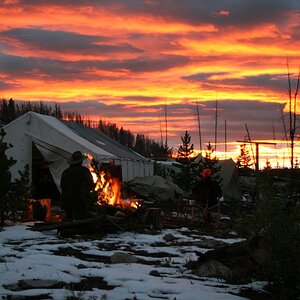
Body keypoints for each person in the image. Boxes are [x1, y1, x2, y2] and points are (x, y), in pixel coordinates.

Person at [60, 151, 95, 220]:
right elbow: (91, 185)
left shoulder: (66, 172)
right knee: (80, 222)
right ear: (81, 161)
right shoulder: (84, 171)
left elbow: (62, 187)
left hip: (68, 202)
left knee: (70, 220)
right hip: (80, 202)